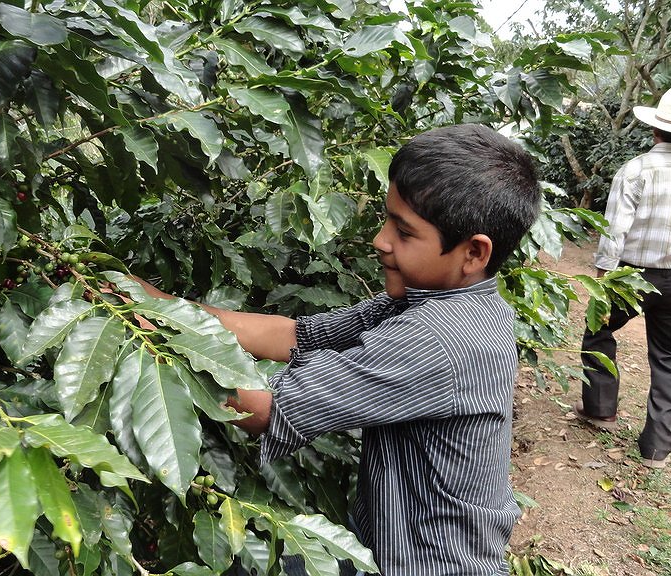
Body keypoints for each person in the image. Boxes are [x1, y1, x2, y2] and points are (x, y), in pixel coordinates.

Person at [136, 123, 542, 576]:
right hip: (380, 540)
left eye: (404, 233)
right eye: (387, 219)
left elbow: (265, 409)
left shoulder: (437, 338)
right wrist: (156, 305)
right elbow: (293, 335)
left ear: (473, 253)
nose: (380, 241)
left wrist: (148, 338)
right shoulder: (427, 302)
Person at [573, 86, 671, 469]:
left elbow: (614, 229)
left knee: (599, 331)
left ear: (655, 130)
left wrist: (603, 274)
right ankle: (657, 447)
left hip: (631, 276)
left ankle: (600, 410)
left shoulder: (637, 169)